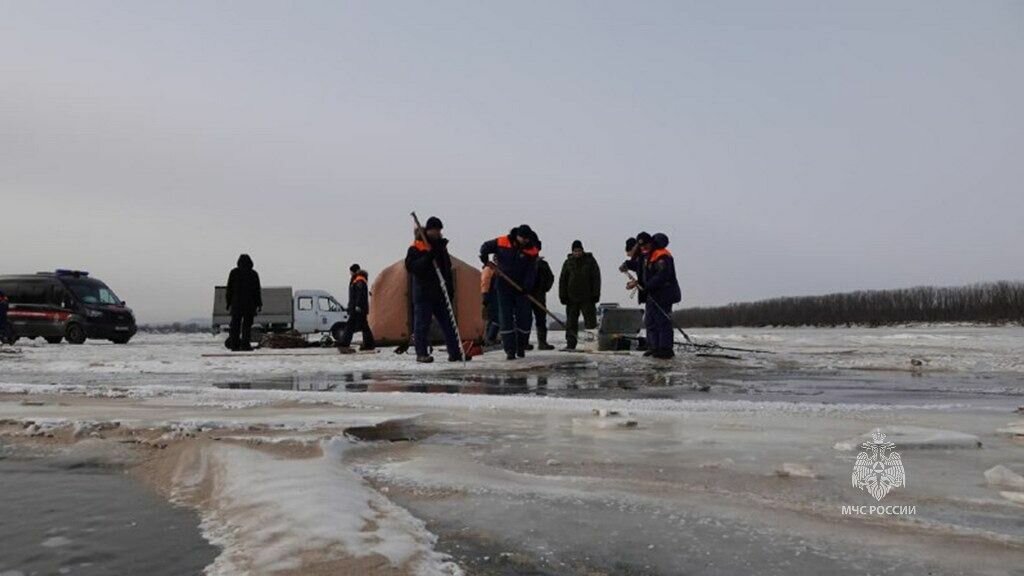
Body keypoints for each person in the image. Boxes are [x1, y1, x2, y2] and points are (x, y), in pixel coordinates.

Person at [405, 216, 466, 363]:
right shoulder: (416, 247)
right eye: (435, 230)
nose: (438, 233)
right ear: (428, 230)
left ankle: (455, 353)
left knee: (449, 324)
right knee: (422, 325)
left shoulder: (441, 248)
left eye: (440, 230)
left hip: (440, 293)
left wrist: (450, 288)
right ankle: (421, 353)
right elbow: (413, 267)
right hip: (424, 293)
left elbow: (446, 268)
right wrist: (428, 256)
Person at [480, 225, 540, 360]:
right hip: (503, 286)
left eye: (527, 238)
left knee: (524, 319)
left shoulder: (532, 250)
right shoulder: (502, 242)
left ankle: (521, 346)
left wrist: (527, 286)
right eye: (522, 238)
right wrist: (484, 257)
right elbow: (485, 246)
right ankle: (510, 350)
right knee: (505, 319)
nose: (524, 241)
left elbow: (532, 271)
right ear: (517, 235)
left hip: (521, 289)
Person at [628, 233, 681, 359]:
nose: (643, 248)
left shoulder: (662, 255)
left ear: (651, 243)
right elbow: (642, 268)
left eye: (645, 245)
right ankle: (654, 347)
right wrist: (628, 265)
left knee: (662, 321)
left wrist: (646, 286)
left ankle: (665, 348)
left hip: (664, 294)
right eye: (641, 246)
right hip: (652, 294)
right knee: (650, 321)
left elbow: (662, 275)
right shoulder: (646, 256)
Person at [558, 239, 601, 350]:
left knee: (590, 322)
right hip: (571, 298)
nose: (577, 253)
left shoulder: (590, 261)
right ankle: (571, 344)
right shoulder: (568, 263)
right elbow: (563, 280)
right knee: (571, 322)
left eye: (579, 250)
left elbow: (596, 278)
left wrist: (596, 294)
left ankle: (591, 344)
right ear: (572, 252)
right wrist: (562, 295)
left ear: (582, 250)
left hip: (588, 297)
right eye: (575, 251)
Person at [225, 254, 262, 351]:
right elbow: (257, 291)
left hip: (236, 304)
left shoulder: (234, 273)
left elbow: (229, 289)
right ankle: (245, 345)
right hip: (249, 304)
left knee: (235, 326)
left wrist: (228, 303)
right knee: (247, 327)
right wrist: (259, 304)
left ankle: (234, 345)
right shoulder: (253, 274)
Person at [337, 264, 376, 353]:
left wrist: (357, 305)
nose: (350, 273)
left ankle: (344, 343)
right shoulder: (357, 279)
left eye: (350, 271)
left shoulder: (359, 280)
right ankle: (369, 344)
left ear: (354, 271)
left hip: (358, 308)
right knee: (364, 326)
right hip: (358, 307)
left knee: (350, 325)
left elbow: (359, 294)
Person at [526, 245, 556, 351]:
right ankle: (524, 342)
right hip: (526, 295)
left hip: (539, 296)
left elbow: (550, 277)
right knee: (525, 319)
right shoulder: (524, 263)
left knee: (541, 319)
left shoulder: (543, 264)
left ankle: (542, 343)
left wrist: (544, 288)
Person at [480, 261, 500, 346]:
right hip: (491, 295)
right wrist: (485, 295)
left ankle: (490, 338)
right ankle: (490, 338)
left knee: (494, 318)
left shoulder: (496, 270)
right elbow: (485, 282)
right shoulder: (489, 269)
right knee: (495, 317)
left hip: (496, 295)